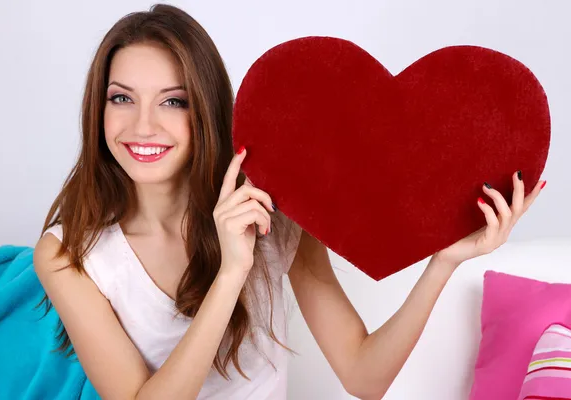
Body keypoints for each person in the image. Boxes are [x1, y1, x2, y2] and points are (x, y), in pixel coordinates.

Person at [33, 4, 546, 400]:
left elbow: (363, 376)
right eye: (121, 97)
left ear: (205, 111)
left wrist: (443, 262)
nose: (143, 125)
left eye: (174, 101)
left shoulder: (275, 211)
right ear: (97, 110)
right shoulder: (68, 253)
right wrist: (232, 272)